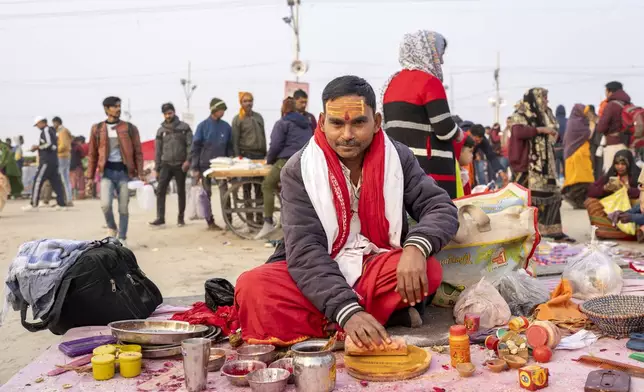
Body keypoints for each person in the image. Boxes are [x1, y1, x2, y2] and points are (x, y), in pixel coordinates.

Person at [235, 76, 457, 347]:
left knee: (430, 270)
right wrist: (346, 310)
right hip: (319, 268)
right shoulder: (298, 169)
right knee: (251, 287)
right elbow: (305, 250)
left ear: (376, 122)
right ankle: (365, 316)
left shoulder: (397, 157)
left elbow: (441, 207)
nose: (347, 135)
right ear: (322, 122)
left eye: (358, 122)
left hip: (374, 263)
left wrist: (415, 249)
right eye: (337, 123)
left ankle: (337, 320)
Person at [382, 30, 463, 199]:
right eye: (438, 53)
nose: (441, 60)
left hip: (398, 166)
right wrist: (460, 134)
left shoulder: (391, 83)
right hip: (430, 169)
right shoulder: (429, 82)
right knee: (436, 217)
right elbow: (444, 129)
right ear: (427, 52)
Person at [509, 88, 573, 242]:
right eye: (543, 98)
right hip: (529, 164)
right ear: (535, 98)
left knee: (553, 195)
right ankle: (522, 232)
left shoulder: (546, 112)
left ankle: (552, 230)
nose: (546, 101)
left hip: (546, 163)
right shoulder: (522, 112)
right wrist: (540, 130)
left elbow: (554, 128)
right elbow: (518, 132)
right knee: (526, 199)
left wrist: (553, 133)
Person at [86, 97, 145, 246]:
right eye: (114, 107)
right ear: (106, 109)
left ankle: (123, 237)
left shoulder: (129, 128)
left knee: (123, 207)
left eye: (119, 106)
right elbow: (92, 154)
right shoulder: (97, 129)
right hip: (107, 173)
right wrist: (89, 177)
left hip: (124, 173)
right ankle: (112, 227)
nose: (118, 109)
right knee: (105, 205)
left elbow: (138, 152)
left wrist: (141, 172)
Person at [254, 97, 313, 239]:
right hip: (306, 161)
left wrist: (269, 161)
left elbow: (275, 145)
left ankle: (268, 222)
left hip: (287, 161)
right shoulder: (307, 123)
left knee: (267, 185)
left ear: (283, 109)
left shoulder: (282, 123)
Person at [191, 98, 233, 230]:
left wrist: (232, 163)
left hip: (222, 167)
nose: (223, 112)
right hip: (205, 166)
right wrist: (195, 167)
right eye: (221, 110)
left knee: (224, 192)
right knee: (206, 194)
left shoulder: (226, 127)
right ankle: (210, 221)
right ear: (214, 110)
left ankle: (229, 221)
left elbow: (230, 147)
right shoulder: (202, 126)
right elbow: (195, 148)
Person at [149, 103, 193, 227]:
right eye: (166, 114)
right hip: (165, 164)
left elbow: (191, 145)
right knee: (160, 190)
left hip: (181, 164)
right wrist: (157, 168)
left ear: (174, 112)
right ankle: (160, 217)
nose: (168, 116)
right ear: (163, 115)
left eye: (170, 113)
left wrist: (188, 160)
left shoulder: (184, 128)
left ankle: (180, 218)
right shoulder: (161, 131)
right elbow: (157, 150)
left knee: (181, 191)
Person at [585, 150, 641, 240]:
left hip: (631, 208)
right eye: (617, 164)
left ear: (629, 164)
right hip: (612, 207)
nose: (620, 167)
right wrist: (605, 188)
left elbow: (641, 192)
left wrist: (627, 189)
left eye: (623, 164)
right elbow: (591, 190)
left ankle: (635, 232)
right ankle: (606, 231)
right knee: (591, 202)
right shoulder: (611, 175)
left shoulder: (637, 175)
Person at [232, 91, 266, 224]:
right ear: (241, 103)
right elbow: (235, 141)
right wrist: (237, 158)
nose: (248, 103)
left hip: (259, 156)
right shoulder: (238, 119)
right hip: (245, 157)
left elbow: (263, 135)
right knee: (246, 189)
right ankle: (250, 220)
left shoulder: (259, 117)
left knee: (259, 189)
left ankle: (260, 219)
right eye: (245, 101)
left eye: (250, 100)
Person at [23, 117, 67, 211]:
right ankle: (61, 204)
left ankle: (34, 204)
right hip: (53, 160)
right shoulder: (52, 130)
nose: (37, 127)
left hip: (46, 161)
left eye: (38, 124)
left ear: (42, 122)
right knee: (56, 182)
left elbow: (49, 144)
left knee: (38, 180)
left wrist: (37, 147)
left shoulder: (46, 130)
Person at [561, 104, 594, 209]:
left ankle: (579, 202)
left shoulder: (576, 121)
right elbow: (588, 134)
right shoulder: (576, 123)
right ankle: (572, 198)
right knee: (580, 180)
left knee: (581, 181)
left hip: (578, 155)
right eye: (585, 111)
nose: (587, 114)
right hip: (577, 155)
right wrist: (593, 124)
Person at [596, 81, 631, 174]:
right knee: (624, 175)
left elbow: (600, 128)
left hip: (613, 146)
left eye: (606, 91)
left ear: (610, 92)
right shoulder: (628, 104)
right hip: (627, 144)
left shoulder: (611, 105)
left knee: (611, 175)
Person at [53, 116, 73, 206]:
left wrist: (55, 150)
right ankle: (67, 198)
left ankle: (68, 199)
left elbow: (64, 145)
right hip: (64, 156)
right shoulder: (63, 131)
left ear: (57, 122)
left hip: (62, 156)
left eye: (53, 123)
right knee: (64, 178)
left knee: (64, 178)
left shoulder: (62, 131)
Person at [69, 136, 86, 200]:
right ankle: (80, 196)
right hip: (77, 165)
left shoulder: (66, 146)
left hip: (69, 166)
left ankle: (72, 196)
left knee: (72, 181)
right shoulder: (78, 146)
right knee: (80, 180)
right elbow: (83, 155)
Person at [554, 105, 567, 180]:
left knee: (556, 169)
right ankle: (567, 188)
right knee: (567, 171)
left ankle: (557, 184)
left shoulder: (554, 121)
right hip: (566, 148)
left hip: (555, 149)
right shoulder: (568, 121)